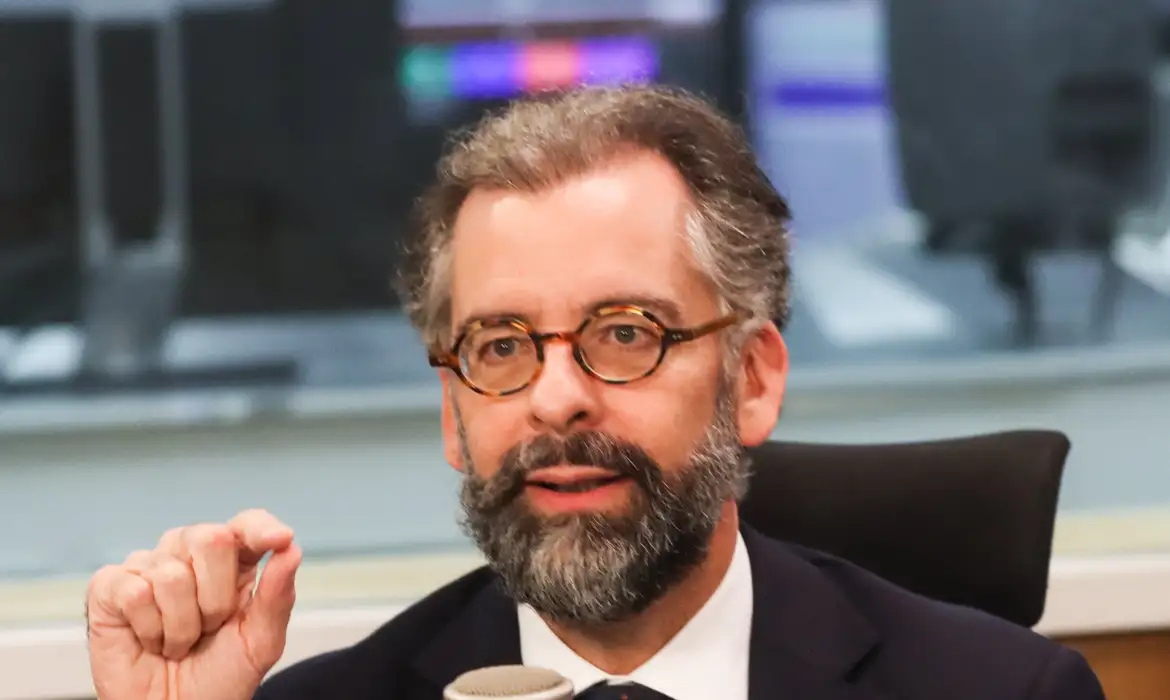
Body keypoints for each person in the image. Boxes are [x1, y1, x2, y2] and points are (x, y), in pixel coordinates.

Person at [85, 85, 1104, 700]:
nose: (556, 399)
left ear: (751, 379)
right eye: (500, 346)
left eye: (625, 334)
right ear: (453, 413)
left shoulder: (1003, 693)